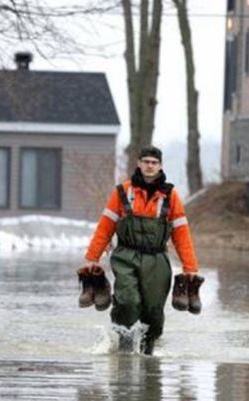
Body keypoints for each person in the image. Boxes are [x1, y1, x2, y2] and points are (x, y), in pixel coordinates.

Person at [84, 146, 199, 354]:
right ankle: (122, 343)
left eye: (154, 162)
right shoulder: (122, 192)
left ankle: (147, 351)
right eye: (146, 161)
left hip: (157, 260)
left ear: (160, 166)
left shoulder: (170, 196)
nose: (149, 166)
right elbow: (105, 226)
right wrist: (93, 257)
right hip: (125, 257)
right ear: (139, 164)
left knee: (154, 312)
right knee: (128, 301)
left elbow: (182, 235)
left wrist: (190, 267)